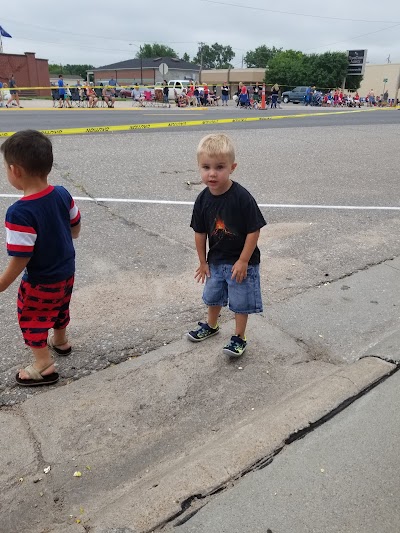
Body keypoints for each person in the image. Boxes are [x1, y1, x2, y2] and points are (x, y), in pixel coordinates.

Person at [0, 130, 81, 386]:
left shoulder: (19, 212)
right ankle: (61, 341)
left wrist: (2, 283)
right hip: (66, 271)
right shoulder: (61, 193)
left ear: (15, 171)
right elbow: (75, 225)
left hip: (41, 279)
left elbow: (21, 257)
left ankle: (43, 364)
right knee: (59, 308)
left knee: (31, 318)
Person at [187, 134, 266, 357]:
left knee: (241, 301)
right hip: (216, 261)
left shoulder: (241, 197)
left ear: (232, 167)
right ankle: (211, 326)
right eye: (206, 167)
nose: (212, 173)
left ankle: (239, 337)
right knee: (213, 296)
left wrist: (243, 261)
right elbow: (200, 232)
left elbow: (254, 230)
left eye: (219, 167)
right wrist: (202, 262)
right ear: (199, 167)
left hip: (242, 262)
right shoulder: (202, 199)